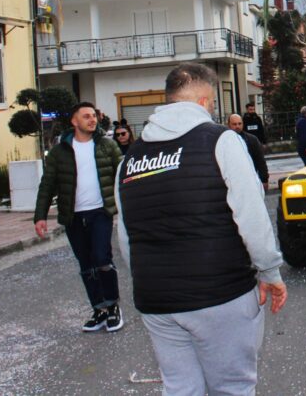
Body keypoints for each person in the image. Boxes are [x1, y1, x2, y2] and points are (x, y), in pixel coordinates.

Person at [116, 63, 286, 393]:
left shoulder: (130, 160)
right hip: (220, 293)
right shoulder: (221, 141)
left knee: (181, 387)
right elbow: (251, 215)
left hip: (157, 300)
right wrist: (269, 271)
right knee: (233, 386)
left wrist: (149, 280)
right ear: (206, 101)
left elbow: (126, 236)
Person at [33, 102, 125, 333]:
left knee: (102, 259)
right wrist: (40, 216)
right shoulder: (60, 151)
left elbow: (123, 176)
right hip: (73, 215)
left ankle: (113, 307)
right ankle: (99, 309)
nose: (92, 120)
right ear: (74, 121)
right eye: (86, 116)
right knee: (86, 264)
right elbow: (48, 184)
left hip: (100, 212)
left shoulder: (107, 145)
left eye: (93, 115)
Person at [228, 113, 270, 191]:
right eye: (234, 124)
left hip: (251, 179)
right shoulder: (225, 141)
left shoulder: (252, 140)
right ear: (229, 125)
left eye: (239, 123)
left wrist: (264, 179)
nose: (237, 126)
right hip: (232, 181)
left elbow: (260, 161)